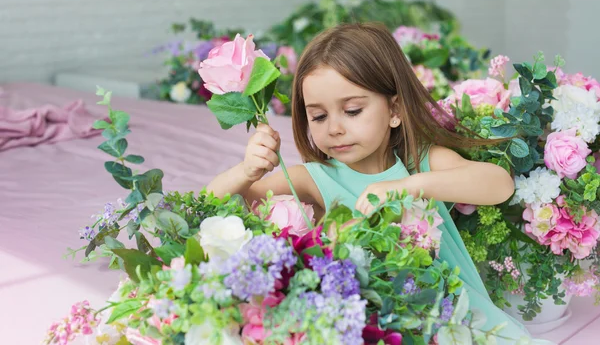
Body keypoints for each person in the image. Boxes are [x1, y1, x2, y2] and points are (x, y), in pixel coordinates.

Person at [207, 22, 537, 343]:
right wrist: (246, 171)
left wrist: (407, 187)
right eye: (318, 116)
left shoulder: (418, 163)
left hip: (459, 319)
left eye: (352, 110)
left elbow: (499, 185)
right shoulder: (315, 179)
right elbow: (213, 204)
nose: (334, 128)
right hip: (383, 329)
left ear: (394, 109)